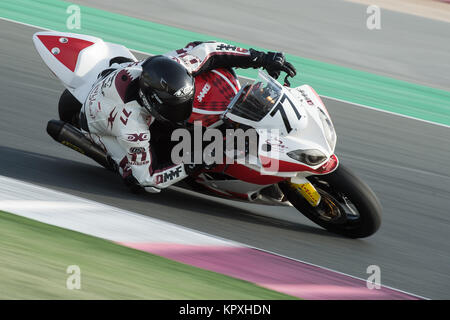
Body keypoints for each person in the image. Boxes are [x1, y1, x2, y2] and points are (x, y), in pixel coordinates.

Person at [62, 41, 296, 193]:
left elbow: (210, 50)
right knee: (133, 179)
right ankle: (114, 157)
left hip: (121, 77)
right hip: (99, 122)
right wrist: (193, 161)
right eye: (175, 106)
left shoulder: (176, 66)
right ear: (151, 104)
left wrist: (260, 58)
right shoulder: (132, 126)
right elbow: (149, 178)